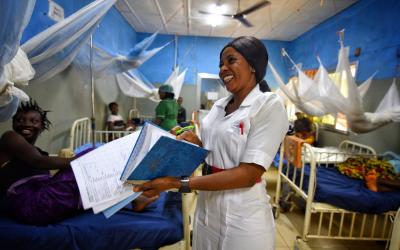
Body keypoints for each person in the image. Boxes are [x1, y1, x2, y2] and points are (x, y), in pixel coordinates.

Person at [134, 36, 288, 250]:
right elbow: (215, 150)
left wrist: (177, 183)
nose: (223, 69)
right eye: (220, 65)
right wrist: (196, 143)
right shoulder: (219, 106)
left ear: (253, 65)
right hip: (207, 207)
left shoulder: (268, 105)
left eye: (231, 60)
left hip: (243, 216)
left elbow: (248, 174)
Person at [0, 100, 155, 225]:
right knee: (88, 159)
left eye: (34, 121)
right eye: (20, 120)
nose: (27, 124)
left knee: (89, 180)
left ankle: (133, 198)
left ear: (42, 127)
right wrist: (87, 159)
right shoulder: (9, 138)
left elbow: (43, 164)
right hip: (32, 205)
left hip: (43, 199)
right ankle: (135, 197)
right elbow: (39, 161)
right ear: (13, 123)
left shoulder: (38, 151)